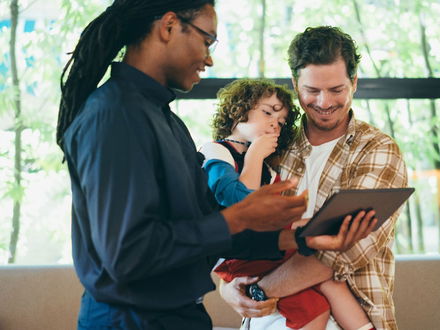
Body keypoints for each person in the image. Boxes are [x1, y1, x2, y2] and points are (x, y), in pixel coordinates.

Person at [56, 1, 377, 328]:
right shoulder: (114, 116)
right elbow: (128, 255)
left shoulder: (167, 121)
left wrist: (299, 240)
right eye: (207, 40)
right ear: (168, 27)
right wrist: (240, 215)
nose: (209, 58)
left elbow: (201, 227)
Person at [219, 26, 408, 330]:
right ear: (295, 84)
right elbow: (238, 231)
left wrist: (258, 289)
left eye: (336, 90)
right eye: (312, 90)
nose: (323, 102)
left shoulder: (377, 150)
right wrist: (228, 287)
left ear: (354, 83)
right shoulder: (273, 148)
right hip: (265, 322)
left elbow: (339, 254)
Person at [201, 78, 373, 330]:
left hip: (268, 249)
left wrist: (308, 225)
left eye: (280, 122)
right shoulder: (216, 151)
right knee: (317, 293)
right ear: (238, 110)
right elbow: (240, 206)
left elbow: (274, 218)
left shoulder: (269, 171)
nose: (274, 123)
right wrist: (255, 156)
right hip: (238, 254)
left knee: (324, 288)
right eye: (267, 112)